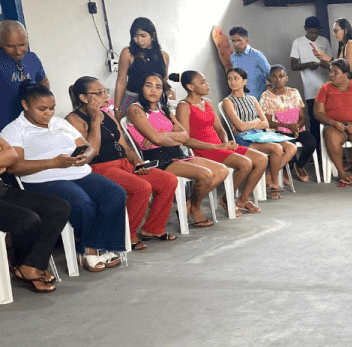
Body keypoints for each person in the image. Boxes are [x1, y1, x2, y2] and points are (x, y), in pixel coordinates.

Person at [2, 82, 127, 272]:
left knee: (115, 193)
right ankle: (89, 250)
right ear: (25, 105)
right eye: (42, 109)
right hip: (43, 179)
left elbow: (87, 147)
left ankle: (101, 245)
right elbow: (14, 167)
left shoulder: (60, 123)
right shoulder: (14, 130)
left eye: (52, 108)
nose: (48, 113)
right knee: (82, 204)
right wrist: (53, 163)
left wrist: (86, 156)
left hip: (77, 172)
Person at [66, 76, 177, 250]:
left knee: (168, 180)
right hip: (99, 169)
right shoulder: (73, 120)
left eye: (105, 91)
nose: (105, 95)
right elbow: (91, 151)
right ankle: (127, 234)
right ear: (83, 97)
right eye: (99, 93)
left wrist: (138, 161)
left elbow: (125, 147)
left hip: (124, 163)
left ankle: (153, 229)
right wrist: (94, 119)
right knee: (142, 187)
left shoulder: (108, 115)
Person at [125, 72, 228, 228]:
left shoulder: (163, 108)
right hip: (158, 159)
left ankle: (190, 205)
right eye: (148, 86)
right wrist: (171, 139)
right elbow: (158, 140)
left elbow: (184, 136)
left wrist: (165, 134)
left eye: (158, 87)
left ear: (162, 90)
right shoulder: (135, 109)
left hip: (177, 155)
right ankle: (195, 209)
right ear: (141, 88)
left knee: (221, 171)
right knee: (206, 174)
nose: (153, 90)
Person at [174, 71, 266, 215]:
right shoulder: (184, 106)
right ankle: (224, 200)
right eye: (202, 82)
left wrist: (226, 143)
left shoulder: (208, 102)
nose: (207, 85)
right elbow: (186, 139)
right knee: (245, 164)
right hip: (203, 150)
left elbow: (220, 129)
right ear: (191, 87)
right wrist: (217, 146)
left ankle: (243, 200)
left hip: (219, 147)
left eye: (206, 81)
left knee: (262, 159)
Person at [0, 135, 70, 293]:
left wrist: (5, 160)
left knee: (59, 207)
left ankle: (30, 265)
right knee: (28, 220)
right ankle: (23, 265)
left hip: (2, 191)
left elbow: (11, 155)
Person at [223, 67, 296, 199]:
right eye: (229, 79)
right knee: (276, 148)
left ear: (244, 81)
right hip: (244, 138)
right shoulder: (228, 101)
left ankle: (270, 177)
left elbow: (265, 123)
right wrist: (255, 121)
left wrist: (247, 124)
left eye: (236, 78)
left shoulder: (252, 99)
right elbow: (240, 127)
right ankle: (275, 184)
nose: (232, 82)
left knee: (291, 147)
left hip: (259, 135)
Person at [313, 59, 352, 187]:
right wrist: (333, 123)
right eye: (330, 72)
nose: (331, 75)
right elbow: (318, 113)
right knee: (331, 135)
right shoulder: (325, 89)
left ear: (345, 74)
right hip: (335, 126)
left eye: (335, 72)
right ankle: (341, 173)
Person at [261, 65, 318, 182]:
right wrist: (288, 127)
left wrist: (296, 128)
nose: (278, 79)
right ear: (270, 79)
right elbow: (267, 123)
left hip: (297, 128)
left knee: (311, 143)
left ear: (286, 78)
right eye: (274, 77)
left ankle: (299, 166)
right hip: (277, 131)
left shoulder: (294, 92)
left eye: (281, 76)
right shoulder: (266, 96)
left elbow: (302, 117)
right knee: (289, 147)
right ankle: (287, 169)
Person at [113, 17, 170, 122]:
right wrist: (116, 109)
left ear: (152, 35)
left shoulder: (164, 56)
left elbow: (164, 82)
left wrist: (170, 90)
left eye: (143, 36)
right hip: (132, 100)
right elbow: (121, 82)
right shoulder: (127, 53)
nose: (139, 40)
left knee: (158, 129)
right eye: (135, 36)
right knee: (132, 130)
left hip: (155, 102)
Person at [290, 16, 331, 156]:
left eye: (316, 33)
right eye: (311, 32)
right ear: (305, 29)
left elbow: (331, 64)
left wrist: (321, 63)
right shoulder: (298, 42)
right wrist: (308, 65)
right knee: (314, 121)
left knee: (330, 119)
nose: (314, 36)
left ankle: (330, 151)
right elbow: (293, 65)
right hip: (310, 90)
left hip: (326, 87)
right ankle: (317, 153)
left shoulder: (324, 41)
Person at [0, 20, 48, 130]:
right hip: (5, 126)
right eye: (10, 46)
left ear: (27, 38)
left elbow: (43, 80)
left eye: (22, 45)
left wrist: (42, 103)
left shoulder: (32, 58)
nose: (18, 51)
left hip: (31, 124)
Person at [228, 27, 271, 101]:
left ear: (247, 40)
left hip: (259, 99)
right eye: (233, 41)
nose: (235, 44)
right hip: (241, 99)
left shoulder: (257, 55)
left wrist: (272, 93)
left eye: (239, 41)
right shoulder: (233, 57)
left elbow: (271, 74)